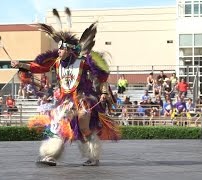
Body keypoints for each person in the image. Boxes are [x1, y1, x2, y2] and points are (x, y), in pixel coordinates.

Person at [11, 17, 120, 166]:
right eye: (59, 48)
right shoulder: (56, 63)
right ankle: (50, 155)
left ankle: (93, 156)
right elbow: (40, 67)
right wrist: (21, 64)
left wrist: (104, 92)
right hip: (66, 101)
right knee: (59, 126)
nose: (59, 50)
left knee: (84, 128)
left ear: (69, 49)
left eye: (62, 48)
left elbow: (101, 75)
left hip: (83, 99)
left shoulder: (81, 62)